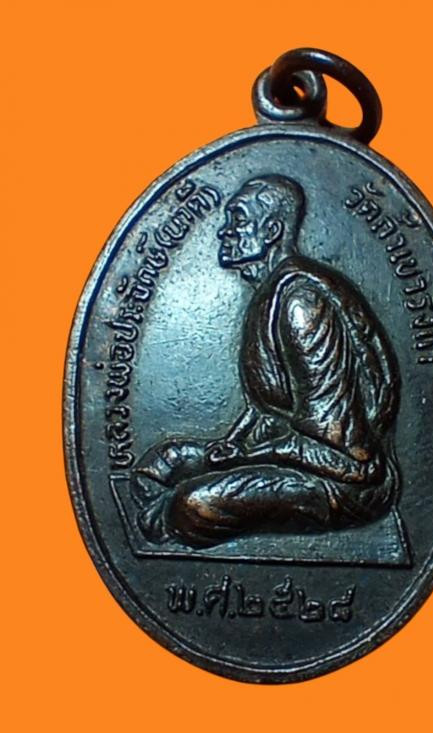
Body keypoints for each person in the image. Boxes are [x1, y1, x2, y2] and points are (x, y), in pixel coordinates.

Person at [131, 175, 400, 547]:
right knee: (162, 464)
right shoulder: (270, 293)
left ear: (272, 231)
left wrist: (251, 454)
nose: (224, 231)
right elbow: (270, 411)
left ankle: (173, 518)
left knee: (191, 507)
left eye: (238, 219)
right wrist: (232, 446)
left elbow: (349, 460)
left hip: (341, 486)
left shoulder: (302, 305)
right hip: (290, 457)